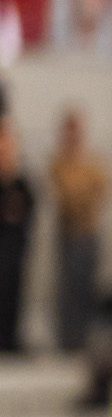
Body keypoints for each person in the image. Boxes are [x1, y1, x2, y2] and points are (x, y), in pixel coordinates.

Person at [48, 108, 109, 352]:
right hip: (68, 233)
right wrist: (82, 195)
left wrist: (80, 196)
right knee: (67, 291)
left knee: (87, 290)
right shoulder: (58, 163)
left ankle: (84, 342)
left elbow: (103, 190)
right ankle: (67, 342)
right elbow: (66, 196)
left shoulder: (93, 162)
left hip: (89, 233)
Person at [0, 119, 30, 352]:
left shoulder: (20, 182)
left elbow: (28, 206)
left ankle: (9, 341)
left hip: (14, 250)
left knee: (13, 297)